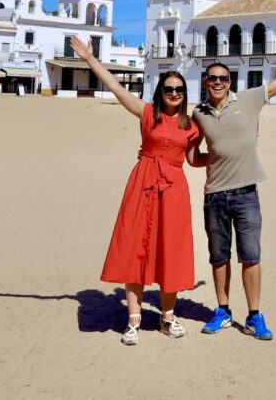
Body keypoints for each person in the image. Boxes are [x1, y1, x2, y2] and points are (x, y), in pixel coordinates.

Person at [191, 33, 276, 341]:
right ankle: (223, 311)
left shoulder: (250, 100)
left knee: (250, 255)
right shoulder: (198, 113)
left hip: (246, 195)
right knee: (218, 257)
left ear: (229, 81)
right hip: (214, 196)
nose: (218, 82)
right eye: (212, 78)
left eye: (223, 78)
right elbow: (193, 154)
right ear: (204, 81)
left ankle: (254, 316)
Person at [69, 36, 201, 346]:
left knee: (172, 250)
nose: (174, 93)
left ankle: (167, 318)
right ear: (160, 92)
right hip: (142, 184)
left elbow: (196, 158)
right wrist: (90, 59)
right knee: (134, 248)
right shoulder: (146, 113)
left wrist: (228, 157)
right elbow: (117, 88)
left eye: (179, 90)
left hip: (174, 190)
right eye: (168, 89)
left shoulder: (191, 125)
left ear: (184, 95)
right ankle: (134, 321)